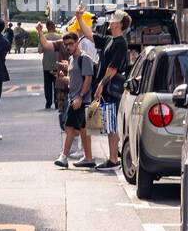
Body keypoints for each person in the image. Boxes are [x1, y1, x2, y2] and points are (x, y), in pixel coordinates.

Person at [92, 10, 132, 172]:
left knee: (110, 123)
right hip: (107, 87)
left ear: (119, 24)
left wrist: (101, 84)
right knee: (109, 123)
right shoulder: (110, 39)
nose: (110, 20)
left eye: (113, 19)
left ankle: (113, 159)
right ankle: (113, 157)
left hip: (110, 87)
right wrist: (80, 18)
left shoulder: (120, 43)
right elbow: (90, 36)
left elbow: (112, 69)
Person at [54, 32, 98, 170]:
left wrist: (80, 96)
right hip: (75, 99)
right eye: (65, 44)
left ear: (77, 42)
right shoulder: (73, 58)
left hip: (81, 100)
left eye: (71, 44)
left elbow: (88, 79)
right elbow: (74, 80)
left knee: (70, 128)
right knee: (83, 130)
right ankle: (88, 158)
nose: (68, 47)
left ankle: (64, 156)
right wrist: (63, 78)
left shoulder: (84, 58)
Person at [36, 20, 63, 110]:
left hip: (47, 65)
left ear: (47, 27)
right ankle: (56, 102)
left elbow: (40, 51)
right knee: (57, 84)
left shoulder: (43, 37)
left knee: (47, 86)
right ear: (54, 26)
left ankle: (48, 102)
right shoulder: (60, 37)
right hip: (58, 65)